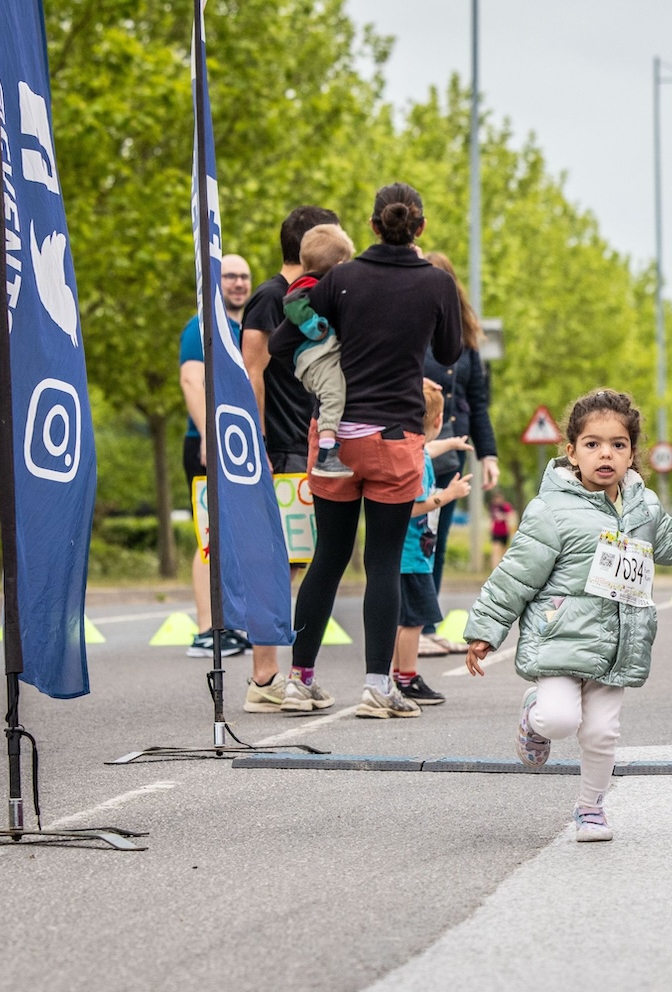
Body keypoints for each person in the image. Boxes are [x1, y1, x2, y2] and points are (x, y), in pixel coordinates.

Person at [463, 390, 672, 842]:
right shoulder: (551, 510)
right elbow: (515, 576)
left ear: (633, 453)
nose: (605, 454)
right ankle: (533, 713)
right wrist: (485, 630)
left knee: (602, 732)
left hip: (619, 643)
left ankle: (590, 807)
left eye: (617, 444)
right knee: (558, 720)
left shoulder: (644, 507)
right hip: (560, 640)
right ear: (570, 451)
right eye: (592, 444)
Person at [269, 182, 464, 717]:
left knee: (327, 558)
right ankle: (379, 687)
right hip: (396, 439)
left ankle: (297, 680)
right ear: (419, 228)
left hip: (334, 438)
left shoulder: (341, 279)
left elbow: (284, 343)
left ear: (373, 226)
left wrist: (325, 364)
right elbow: (449, 351)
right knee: (382, 563)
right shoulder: (437, 284)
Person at [239, 204, 342, 714]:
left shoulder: (309, 297)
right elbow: (250, 370)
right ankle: (263, 679)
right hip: (275, 444)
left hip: (304, 441)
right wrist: (253, 442)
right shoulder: (269, 298)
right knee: (274, 562)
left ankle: (283, 674)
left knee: (296, 562)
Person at [420, 250, 499, 654]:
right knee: (417, 536)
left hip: (455, 452)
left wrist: (489, 455)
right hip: (417, 450)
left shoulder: (467, 342)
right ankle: (413, 626)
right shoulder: (409, 332)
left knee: (437, 539)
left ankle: (426, 625)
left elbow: (478, 401)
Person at [178, 252, 251, 658]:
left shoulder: (242, 329)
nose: (238, 283)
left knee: (236, 535)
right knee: (210, 535)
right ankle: (207, 630)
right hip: (208, 444)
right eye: (229, 277)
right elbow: (191, 379)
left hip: (241, 447)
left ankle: (232, 624)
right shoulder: (202, 326)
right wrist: (210, 433)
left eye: (243, 277)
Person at [386, 381, 472, 709]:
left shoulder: (412, 451)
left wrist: (449, 442)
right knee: (413, 621)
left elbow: (428, 447)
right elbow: (411, 506)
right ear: (437, 421)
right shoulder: (418, 464)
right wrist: (447, 496)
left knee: (405, 618)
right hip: (412, 556)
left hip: (410, 554)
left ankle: (398, 674)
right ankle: (406, 677)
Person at [282, 223, 356, 478]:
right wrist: (314, 325)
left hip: (319, 354)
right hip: (314, 355)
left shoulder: (319, 284)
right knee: (333, 395)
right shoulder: (307, 284)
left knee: (336, 392)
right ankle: (327, 455)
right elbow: (292, 304)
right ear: (338, 265)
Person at [489, 495, 514, 568]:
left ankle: (503, 567)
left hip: (504, 532)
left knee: (504, 551)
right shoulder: (493, 507)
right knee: (495, 551)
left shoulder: (505, 506)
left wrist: (502, 516)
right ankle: (494, 568)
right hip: (496, 532)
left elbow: (510, 515)